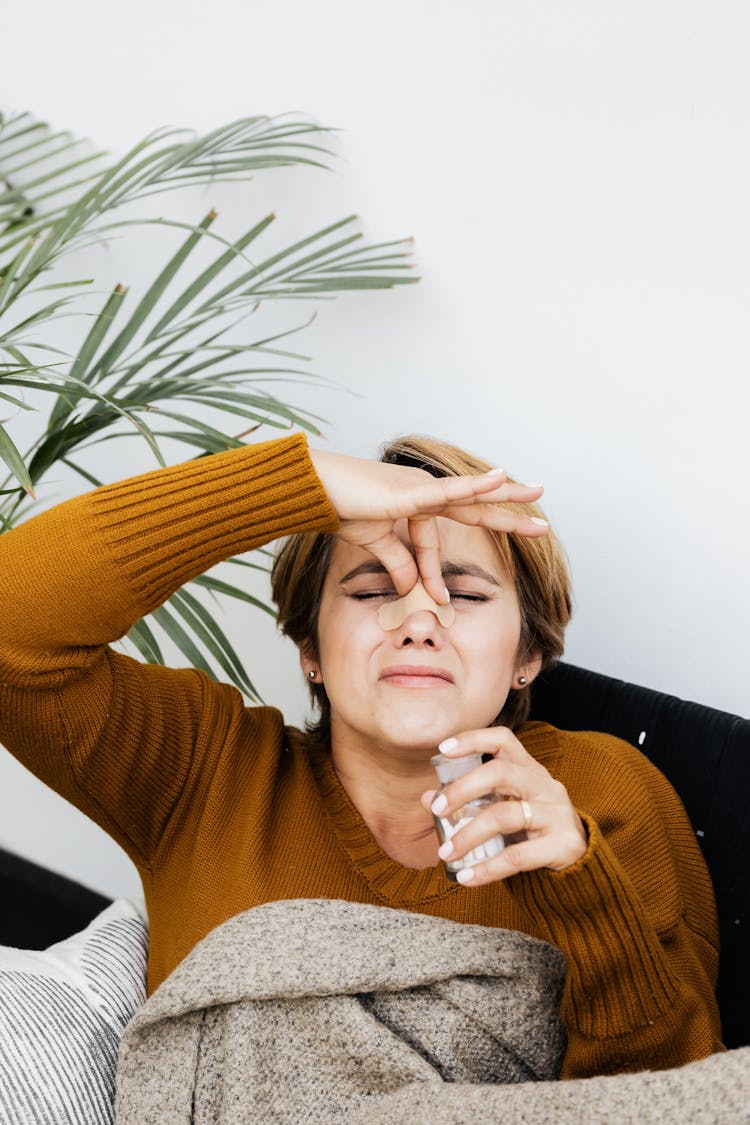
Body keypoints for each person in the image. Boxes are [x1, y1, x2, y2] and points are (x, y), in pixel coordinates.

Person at [0, 431, 723, 1081]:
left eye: (463, 594)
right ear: (310, 647)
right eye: (374, 588)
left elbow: (667, 1094)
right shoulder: (202, 769)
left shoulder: (601, 792)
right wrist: (292, 484)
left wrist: (582, 887)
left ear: (528, 653)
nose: (417, 621)